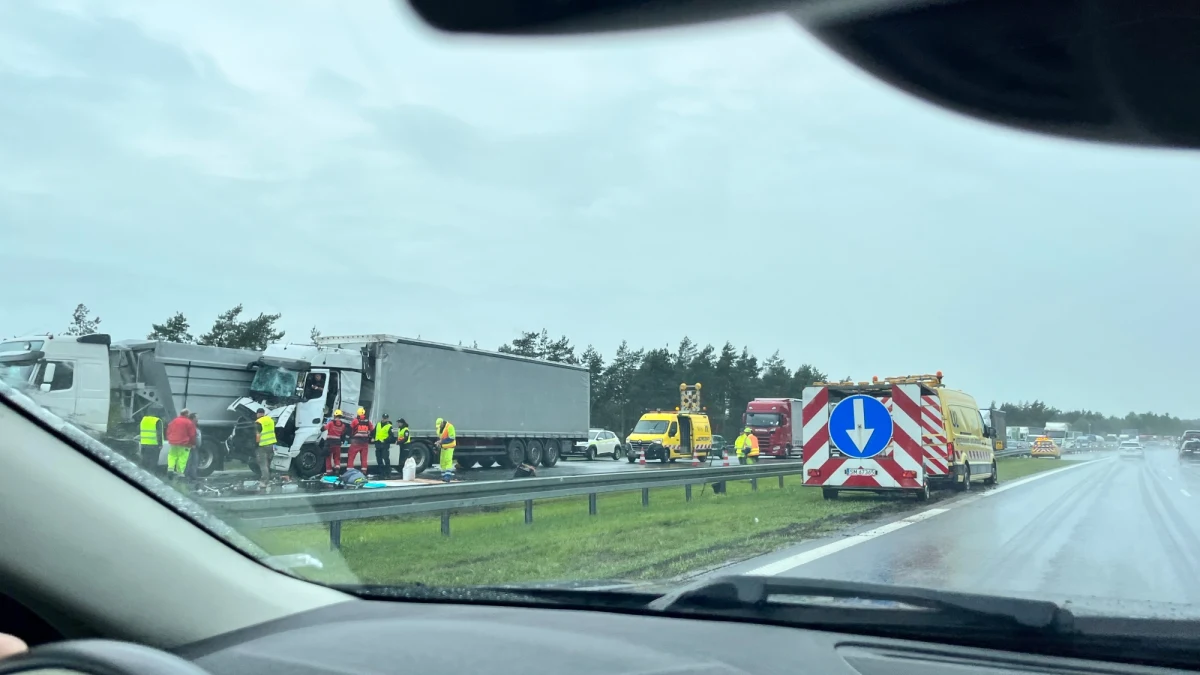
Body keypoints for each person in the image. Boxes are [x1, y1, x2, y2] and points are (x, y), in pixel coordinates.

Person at [165, 409, 197, 479]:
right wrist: (193, 444)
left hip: (173, 443)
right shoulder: (189, 422)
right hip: (184, 444)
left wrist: (170, 438)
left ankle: (170, 469)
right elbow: (192, 435)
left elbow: (168, 430)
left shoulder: (174, 421)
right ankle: (180, 474)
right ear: (186, 414)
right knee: (182, 458)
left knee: (172, 456)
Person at [348, 407, 373, 474]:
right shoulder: (368, 421)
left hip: (356, 442)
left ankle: (350, 470)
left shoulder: (355, 421)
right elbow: (372, 429)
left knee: (351, 456)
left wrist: (349, 438)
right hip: (365, 442)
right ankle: (364, 471)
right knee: (364, 458)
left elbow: (350, 429)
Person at [254, 408, 276, 483]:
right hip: (272, 445)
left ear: (259, 414)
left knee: (263, 463)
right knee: (269, 462)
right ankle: (270, 476)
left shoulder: (258, 422)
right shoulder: (270, 420)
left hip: (262, 446)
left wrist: (256, 444)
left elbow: (258, 435)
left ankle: (264, 480)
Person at [435, 417, 456, 482]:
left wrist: (441, 441)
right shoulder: (439, 429)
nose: (439, 427)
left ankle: (448, 477)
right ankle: (444, 476)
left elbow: (452, 438)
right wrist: (438, 442)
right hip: (443, 446)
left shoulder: (450, 426)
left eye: (439, 425)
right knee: (442, 461)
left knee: (448, 460)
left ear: (442, 423)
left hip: (450, 446)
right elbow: (440, 438)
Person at [373, 413, 394, 477]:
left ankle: (388, 472)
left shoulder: (389, 426)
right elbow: (374, 432)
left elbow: (391, 437)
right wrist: (373, 438)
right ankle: (381, 472)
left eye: (386, 418)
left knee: (386, 458)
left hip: (385, 445)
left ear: (387, 419)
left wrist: (385, 440)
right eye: (383, 418)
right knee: (379, 459)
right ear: (382, 418)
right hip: (378, 444)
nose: (384, 419)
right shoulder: (378, 424)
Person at [183, 411, 202, 480]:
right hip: (190, 446)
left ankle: (192, 475)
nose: (198, 419)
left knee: (194, 461)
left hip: (195, 447)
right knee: (189, 461)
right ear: (193, 418)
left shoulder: (195, 425)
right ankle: (188, 476)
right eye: (197, 418)